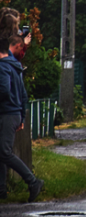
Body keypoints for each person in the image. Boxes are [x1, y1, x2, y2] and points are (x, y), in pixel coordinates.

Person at [0, 37, 44, 202]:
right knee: (1, 152)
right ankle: (2, 190)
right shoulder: (15, 67)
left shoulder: (3, 67)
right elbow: (23, 95)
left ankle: (33, 182)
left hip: (6, 113)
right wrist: (22, 117)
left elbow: (3, 90)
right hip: (14, 113)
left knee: (4, 152)